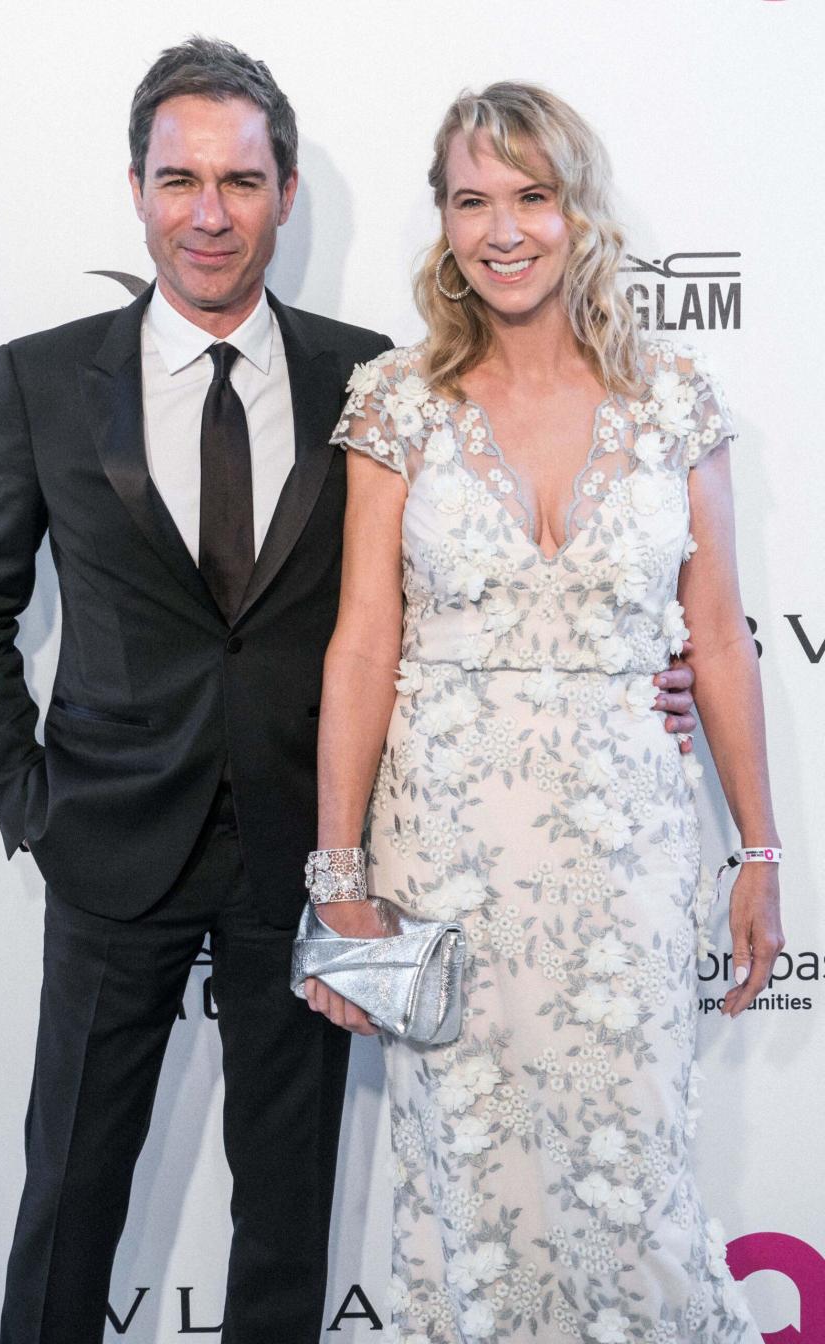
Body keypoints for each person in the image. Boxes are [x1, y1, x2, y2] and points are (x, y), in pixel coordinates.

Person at [0, 39, 698, 1344]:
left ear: (286, 189)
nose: (210, 212)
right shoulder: (43, 379)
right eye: (180, 179)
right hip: (108, 845)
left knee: (287, 1212)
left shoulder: (381, 380)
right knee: (71, 1194)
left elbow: (470, 580)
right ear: (137, 189)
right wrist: (34, 805)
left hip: (313, 854)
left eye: (241, 178)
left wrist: (623, 678)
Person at [305, 82, 781, 1340]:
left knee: (638, 1185)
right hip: (446, 860)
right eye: (473, 200)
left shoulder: (675, 398)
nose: (503, 229)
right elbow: (363, 642)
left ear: (580, 211)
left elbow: (721, 641)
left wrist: (761, 851)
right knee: (467, 1194)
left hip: (624, 852)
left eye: (532, 196)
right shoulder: (397, 400)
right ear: (445, 223)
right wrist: (337, 866)